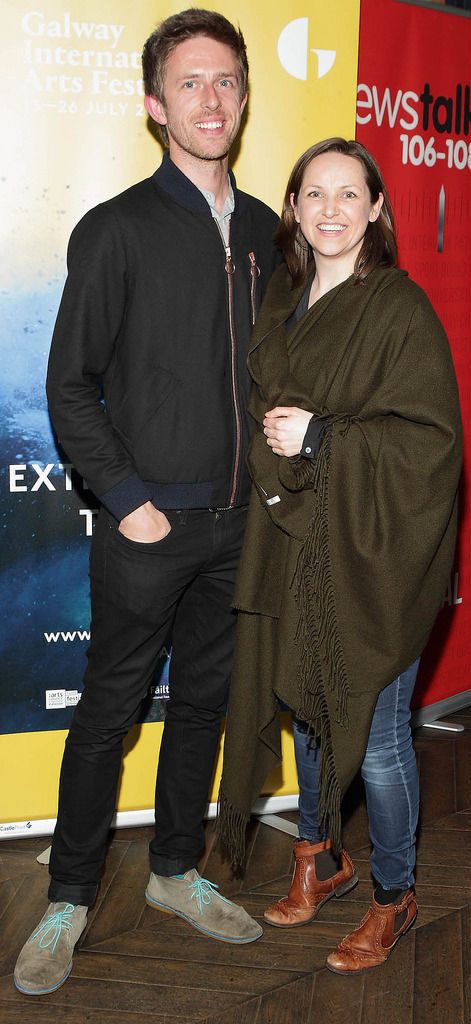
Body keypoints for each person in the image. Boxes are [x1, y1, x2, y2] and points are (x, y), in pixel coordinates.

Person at [14, 8, 280, 996]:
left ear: (245, 98)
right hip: (147, 528)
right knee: (109, 712)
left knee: (206, 705)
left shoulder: (267, 231)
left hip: (240, 525)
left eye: (227, 81)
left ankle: (174, 873)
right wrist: (127, 501)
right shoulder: (116, 227)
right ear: (153, 105)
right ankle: (71, 895)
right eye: (191, 83)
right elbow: (70, 386)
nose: (212, 99)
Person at [217, 138, 462, 975]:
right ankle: (319, 859)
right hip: (294, 541)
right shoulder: (283, 297)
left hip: (373, 555)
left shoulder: (397, 307)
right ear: (293, 207)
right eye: (312, 193)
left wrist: (322, 435)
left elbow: (432, 445)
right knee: (310, 711)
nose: (329, 209)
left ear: (376, 210)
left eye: (347, 195)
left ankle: (395, 896)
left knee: (383, 737)